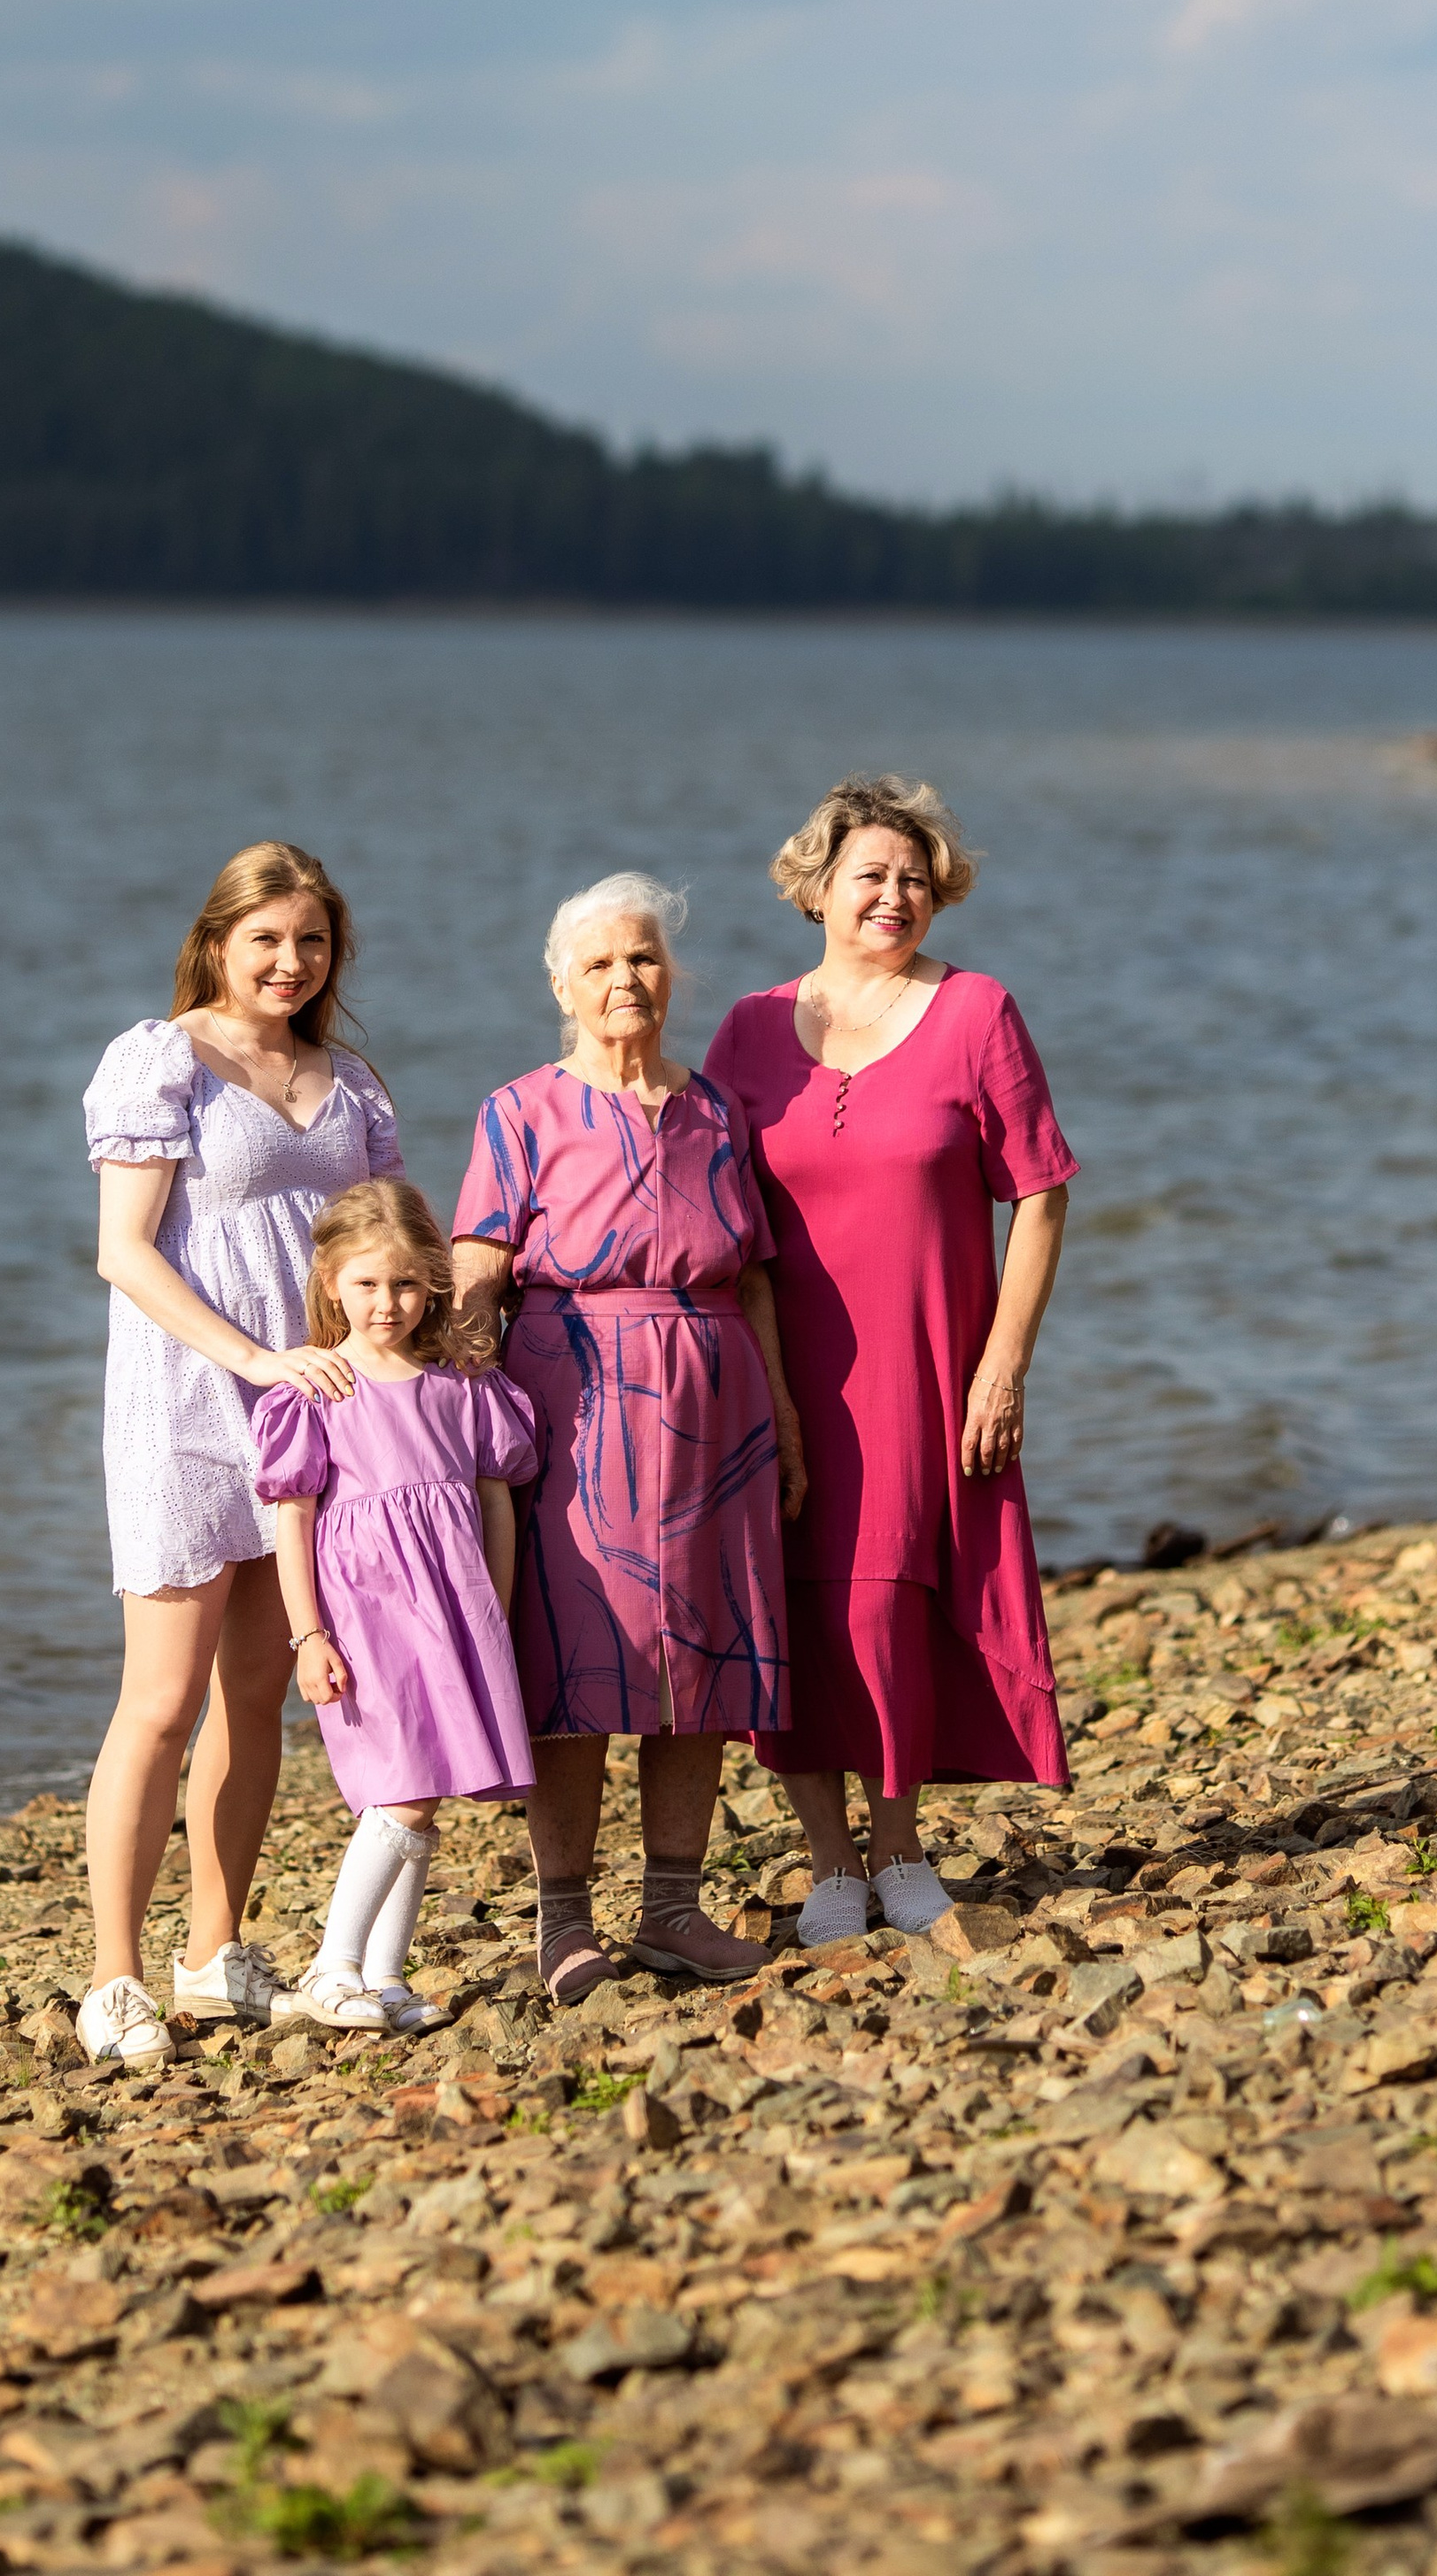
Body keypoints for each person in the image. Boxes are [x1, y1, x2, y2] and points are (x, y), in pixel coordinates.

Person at [706, 775, 1076, 1947]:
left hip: (924, 1369)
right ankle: (828, 1862)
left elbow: (1043, 1196)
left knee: (886, 1604)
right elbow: (701, 1200)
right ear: (816, 888)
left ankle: (900, 1841)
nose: (896, 895)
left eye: (916, 879)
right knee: (786, 1609)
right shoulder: (750, 1030)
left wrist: (1003, 1366)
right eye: (871, 874)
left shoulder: (977, 1013)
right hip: (775, 1368)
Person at [452, 875, 805, 2003]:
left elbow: (751, 1278)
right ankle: (562, 1921)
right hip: (572, 1398)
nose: (624, 980)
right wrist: (450, 1409)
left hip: (715, 1404)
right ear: (561, 982)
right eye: (599, 963)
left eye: (643, 958)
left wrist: (785, 1417)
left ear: (671, 974)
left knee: (693, 1658)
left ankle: (670, 1910)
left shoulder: (715, 1111)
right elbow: (478, 1265)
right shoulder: (520, 1110)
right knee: (576, 1658)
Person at [78, 838, 401, 2064]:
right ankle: (111, 1977)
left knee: (256, 1696)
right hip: (188, 1408)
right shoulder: (161, 1062)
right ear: (217, 941)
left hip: (314, 1416)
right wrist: (254, 1359)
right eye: (265, 937)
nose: (289, 960)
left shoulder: (350, 1081)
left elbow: (380, 1245)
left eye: (311, 941)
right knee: (160, 1702)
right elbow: (126, 1251)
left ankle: (213, 1953)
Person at [257, 1178, 540, 2034]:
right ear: (333, 1282)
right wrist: (307, 1633)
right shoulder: (317, 1390)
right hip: (366, 1615)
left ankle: (381, 1976)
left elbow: (496, 1501)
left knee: (429, 1788)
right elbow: (292, 1517)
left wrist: (495, 1607)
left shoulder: (462, 1384)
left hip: (454, 1611)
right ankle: (331, 1966)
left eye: (408, 1284)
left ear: (435, 1285)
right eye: (369, 1284)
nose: (389, 1303)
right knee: (401, 1789)